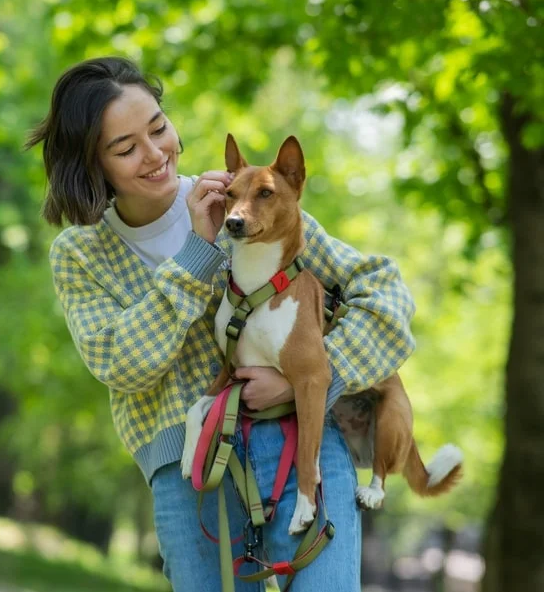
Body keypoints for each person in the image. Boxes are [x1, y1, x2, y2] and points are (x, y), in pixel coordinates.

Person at [30, 56, 416, 592]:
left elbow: (388, 297)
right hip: (193, 478)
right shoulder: (82, 253)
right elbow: (120, 364)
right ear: (92, 164)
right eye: (126, 148)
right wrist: (197, 254)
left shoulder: (252, 201)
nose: (155, 154)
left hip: (304, 447)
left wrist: (312, 380)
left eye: (158, 128)